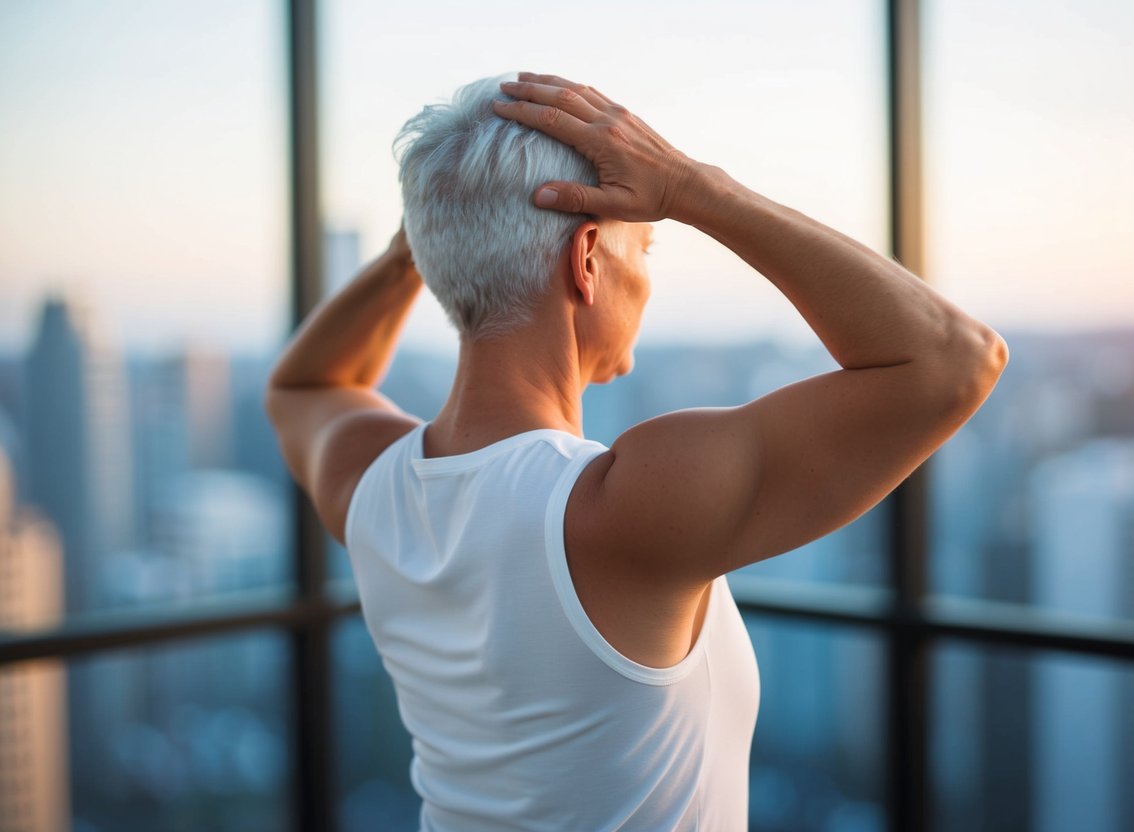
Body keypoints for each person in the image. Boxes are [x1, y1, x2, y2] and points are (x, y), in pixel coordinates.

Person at [265, 71, 1008, 830]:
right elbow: (954, 359)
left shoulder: (366, 478)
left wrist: (416, 248)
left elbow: (303, 386)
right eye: (646, 244)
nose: (648, 279)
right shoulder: (622, 507)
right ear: (587, 259)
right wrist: (693, 188)